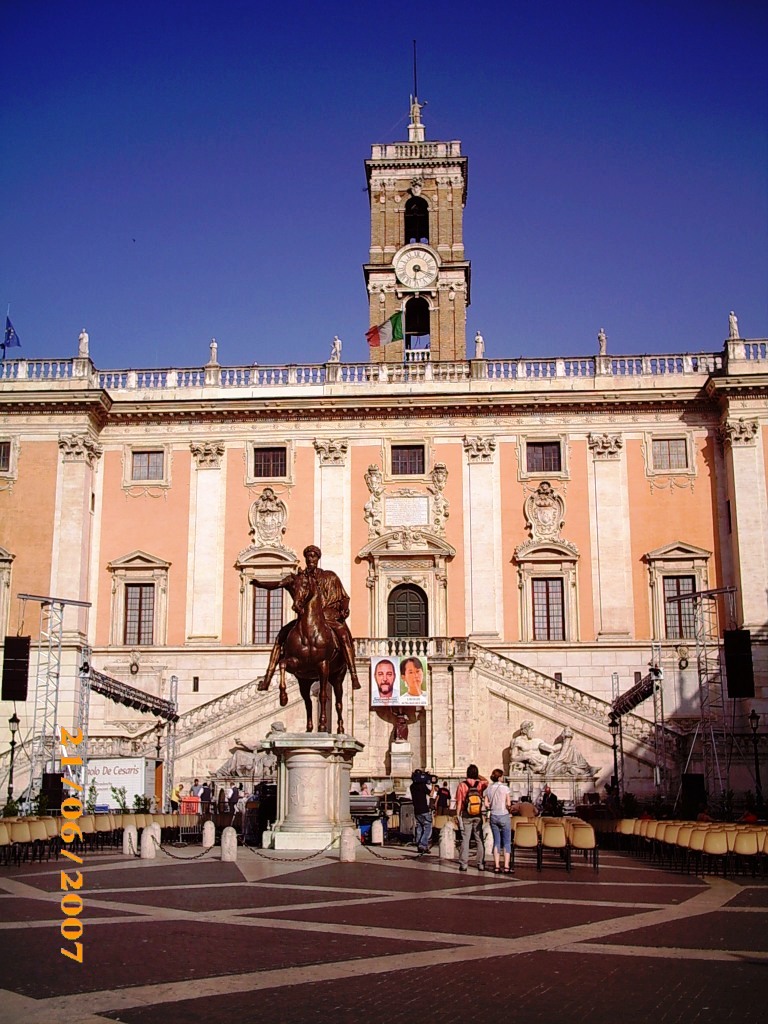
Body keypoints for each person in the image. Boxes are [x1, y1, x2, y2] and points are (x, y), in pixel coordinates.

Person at [255, 545, 361, 695]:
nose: (311, 559)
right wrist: (261, 584)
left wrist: (344, 608)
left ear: (318, 558)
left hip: (330, 617)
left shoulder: (330, 576)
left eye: (314, 556)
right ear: (305, 558)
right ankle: (268, 677)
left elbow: (344, 597)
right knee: (281, 636)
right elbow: (278, 584)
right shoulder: (299, 578)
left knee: (344, 636)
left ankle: (354, 675)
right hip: (306, 618)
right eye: (308, 556)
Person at [455, 764, 488, 872]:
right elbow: (486, 781)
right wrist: (478, 775)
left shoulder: (462, 785)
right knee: (479, 839)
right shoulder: (480, 784)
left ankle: (464, 864)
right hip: (478, 814)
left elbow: (459, 802)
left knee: (465, 839)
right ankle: (480, 863)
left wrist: (457, 814)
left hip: (466, 814)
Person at [484, 768, 513, 874]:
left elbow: (486, 804)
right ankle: (506, 866)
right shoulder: (505, 788)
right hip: (504, 815)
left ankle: (496, 866)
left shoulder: (489, 788)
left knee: (496, 841)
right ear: (500, 777)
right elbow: (509, 803)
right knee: (506, 842)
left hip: (493, 815)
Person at [410, 769, 434, 856]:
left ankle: (420, 845)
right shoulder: (422, 785)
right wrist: (433, 786)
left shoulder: (412, 786)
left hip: (416, 810)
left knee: (420, 827)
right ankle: (422, 844)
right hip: (424, 809)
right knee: (428, 827)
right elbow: (431, 794)